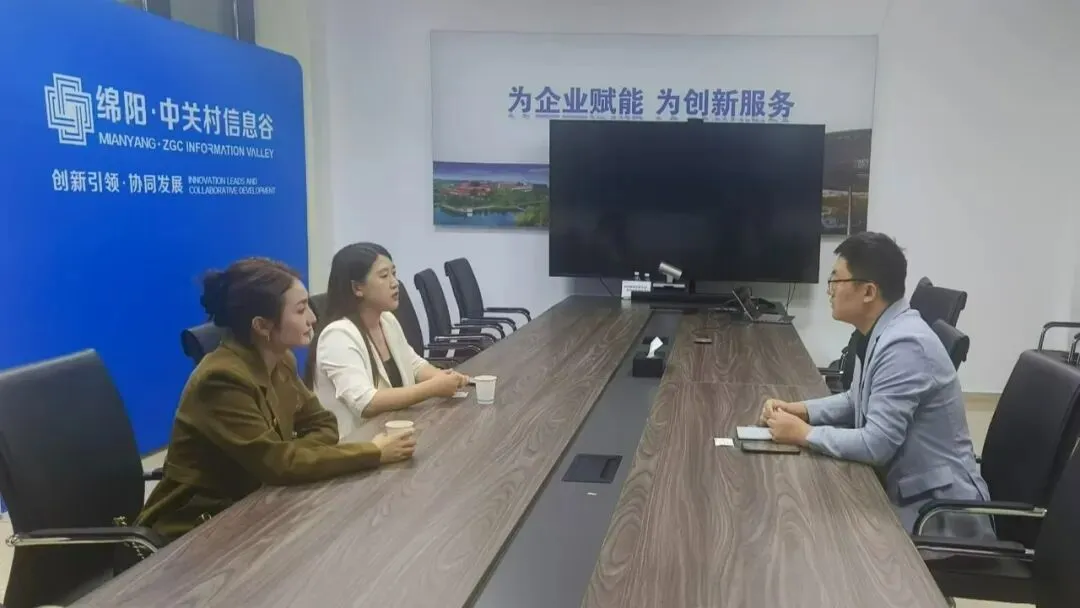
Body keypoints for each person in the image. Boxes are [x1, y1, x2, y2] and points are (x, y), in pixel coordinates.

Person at [138, 257, 415, 542]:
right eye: (300, 309)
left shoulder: (281, 360)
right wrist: (373, 452)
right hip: (195, 527)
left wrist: (288, 456)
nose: (312, 318)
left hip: (256, 503)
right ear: (262, 326)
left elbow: (323, 425)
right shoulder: (221, 379)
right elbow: (280, 464)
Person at [759, 232, 993, 538]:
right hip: (905, 495)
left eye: (836, 280)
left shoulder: (905, 345)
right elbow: (854, 400)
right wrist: (800, 410)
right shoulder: (880, 330)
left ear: (869, 291)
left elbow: (876, 445)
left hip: (938, 517)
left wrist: (804, 434)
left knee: (811, 529)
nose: (830, 290)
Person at [309, 243, 467, 438]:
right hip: (356, 443)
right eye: (384, 276)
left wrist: (443, 378)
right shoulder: (338, 336)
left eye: (394, 273)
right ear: (357, 288)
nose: (395, 283)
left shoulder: (386, 320)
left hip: (392, 432)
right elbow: (365, 402)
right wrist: (433, 388)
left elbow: (414, 365)